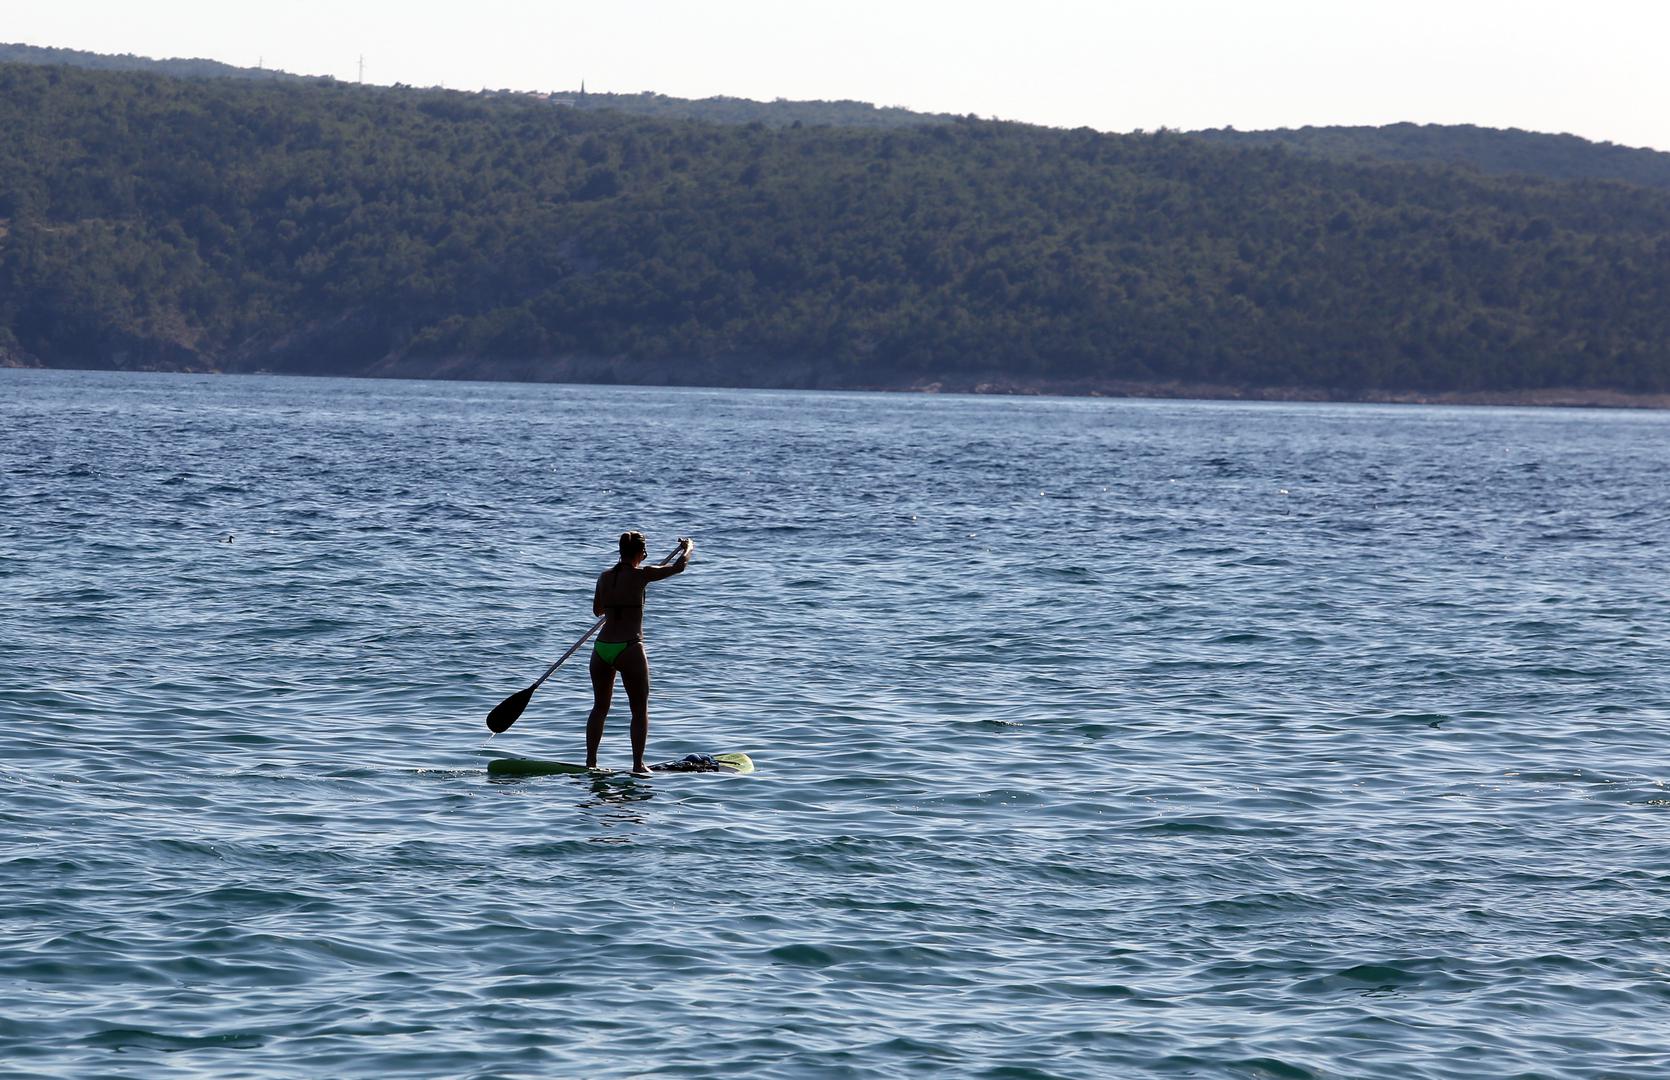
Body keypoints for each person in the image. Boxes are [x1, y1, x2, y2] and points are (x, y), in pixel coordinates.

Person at [587, 531, 694, 774]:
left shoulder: (604, 577)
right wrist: (688, 547)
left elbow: (597, 611)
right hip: (629, 648)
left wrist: (617, 603)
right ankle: (638, 765)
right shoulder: (642, 574)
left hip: (601, 648)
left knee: (599, 708)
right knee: (639, 710)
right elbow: (679, 567)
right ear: (640, 553)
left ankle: (591, 762)